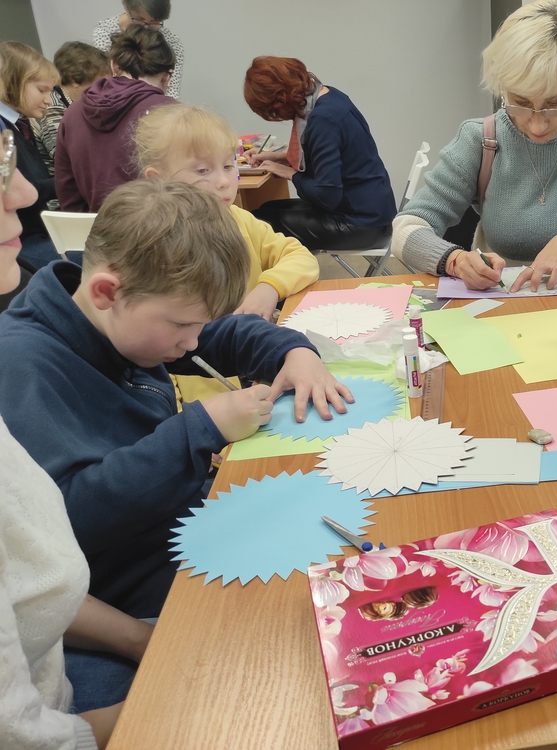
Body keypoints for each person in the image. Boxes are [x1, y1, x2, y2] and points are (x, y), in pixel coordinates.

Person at [0, 180, 355, 620]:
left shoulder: (126, 314)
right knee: (299, 614)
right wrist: (201, 428)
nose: (192, 344)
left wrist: (294, 352)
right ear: (106, 293)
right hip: (131, 574)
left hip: (183, 519)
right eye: (182, 326)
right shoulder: (22, 366)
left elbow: (224, 332)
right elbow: (71, 518)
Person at [0, 132, 154, 750]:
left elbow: (32, 580)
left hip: (63, 672)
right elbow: (27, 737)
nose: (26, 192)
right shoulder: (24, 361)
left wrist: (146, 642)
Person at [391, 0, 557, 294]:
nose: (537, 125)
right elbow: (406, 229)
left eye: (555, 103)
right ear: (502, 85)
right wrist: (454, 260)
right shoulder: (480, 140)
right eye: (520, 102)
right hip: (499, 301)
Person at [134, 103, 320, 402]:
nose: (223, 182)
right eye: (203, 170)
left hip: (257, 366)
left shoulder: (238, 219)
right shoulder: (156, 249)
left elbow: (300, 256)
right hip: (207, 397)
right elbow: (157, 362)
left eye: (229, 165)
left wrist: (269, 288)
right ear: (158, 179)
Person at [242, 56, 396, 253]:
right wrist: (275, 157)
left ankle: (288, 272)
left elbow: (327, 196)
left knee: (259, 222)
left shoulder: (323, 119)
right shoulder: (330, 96)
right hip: (373, 214)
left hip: (361, 224)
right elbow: (329, 156)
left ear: (277, 101)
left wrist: (289, 173)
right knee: (267, 208)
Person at [55, 25, 173, 212]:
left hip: (96, 227)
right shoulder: (171, 112)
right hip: (159, 225)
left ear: (114, 66)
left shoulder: (72, 113)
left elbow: (67, 191)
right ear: (166, 76)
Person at [0, 41, 60, 270]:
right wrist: (65, 181)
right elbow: (16, 194)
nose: (48, 100)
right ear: (12, 82)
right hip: (18, 240)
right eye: (41, 90)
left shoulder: (20, 124)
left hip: (35, 231)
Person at [38, 42, 110, 176]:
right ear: (74, 80)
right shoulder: (53, 110)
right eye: (101, 84)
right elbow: (71, 161)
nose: (105, 91)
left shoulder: (77, 104)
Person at [92, 0, 182, 99]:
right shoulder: (105, 31)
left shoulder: (171, 42)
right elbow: (103, 80)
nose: (146, 27)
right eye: (139, 19)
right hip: (115, 100)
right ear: (125, 5)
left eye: (154, 22)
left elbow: (172, 92)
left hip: (154, 102)